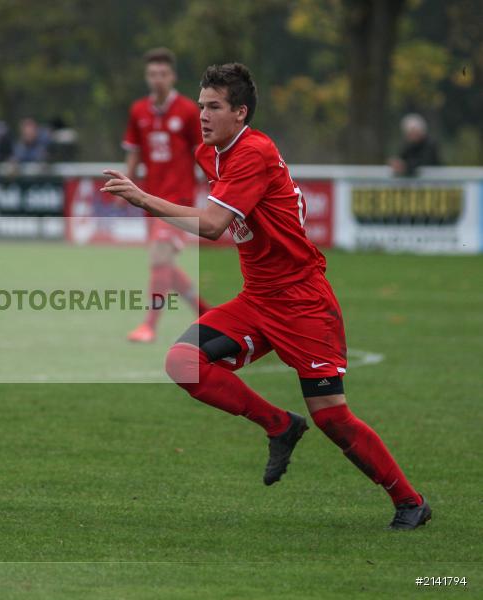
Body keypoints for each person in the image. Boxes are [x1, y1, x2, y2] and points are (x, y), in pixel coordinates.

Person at [102, 63, 430, 530]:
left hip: (302, 302)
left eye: (214, 107)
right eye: (200, 106)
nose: (203, 115)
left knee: (333, 419)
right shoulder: (209, 153)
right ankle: (279, 424)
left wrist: (143, 198)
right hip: (257, 299)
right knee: (183, 362)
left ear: (241, 113)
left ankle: (410, 501)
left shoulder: (253, 151)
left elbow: (214, 225)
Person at [122, 48, 210, 344]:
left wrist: (216, 185)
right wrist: (126, 184)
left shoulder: (187, 111)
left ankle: (149, 325)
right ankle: (206, 315)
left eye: (162, 73)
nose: (157, 79)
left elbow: (204, 153)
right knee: (165, 267)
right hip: (150, 200)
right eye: (151, 74)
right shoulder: (138, 111)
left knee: (159, 257)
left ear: (172, 76)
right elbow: (134, 152)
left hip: (179, 201)